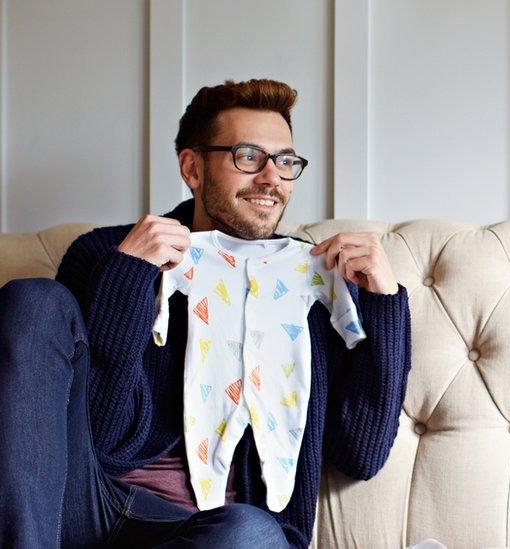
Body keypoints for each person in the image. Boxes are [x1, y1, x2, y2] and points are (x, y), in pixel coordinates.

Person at [0, 79, 411, 548]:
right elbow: (100, 434)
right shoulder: (105, 255)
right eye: (248, 157)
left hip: (217, 534)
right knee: (32, 300)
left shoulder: (314, 277)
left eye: (285, 162)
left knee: (250, 534)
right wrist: (129, 278)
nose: (271, 178)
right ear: (193, 169)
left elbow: (361, 456)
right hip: (86, 502)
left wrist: (383, 303)